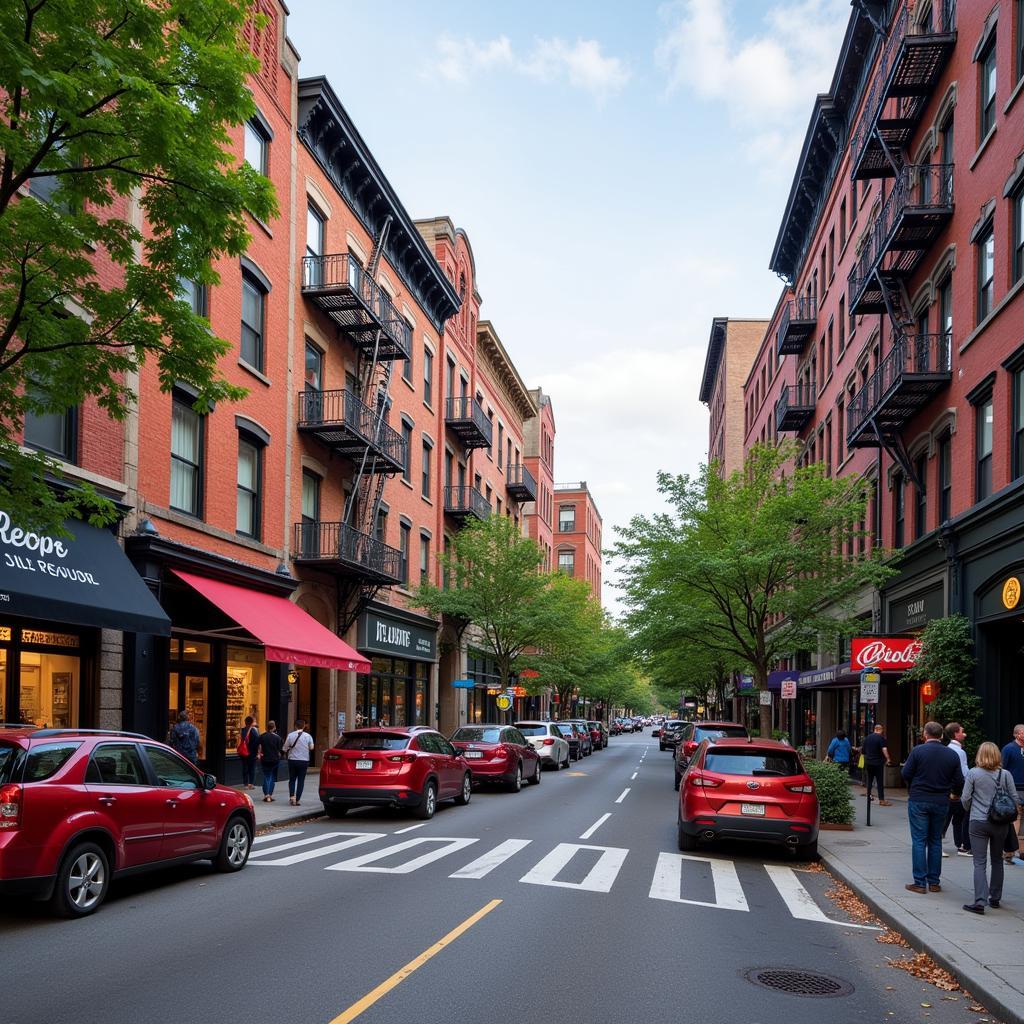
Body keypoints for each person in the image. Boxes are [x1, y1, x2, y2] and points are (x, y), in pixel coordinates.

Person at [901, 721, 965, 893]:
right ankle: (934, 881)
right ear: (942, 735)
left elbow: (905, 773)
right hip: (941, 800)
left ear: (925, 734)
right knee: (935, 841)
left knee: (919, 841)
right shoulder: (951, 755)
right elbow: (959, 780)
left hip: (919, 798)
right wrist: (954, 793)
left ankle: (920, 882)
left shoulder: (918, 751)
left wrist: (914, 783)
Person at [961, 741, 1017, 914]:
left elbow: (965, 798)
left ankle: (979, 901)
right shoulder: (1005, 774)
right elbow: (1014, 798)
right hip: (1000, 823)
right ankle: (995, 898)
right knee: (997, 860)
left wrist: (971, 808)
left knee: (979, 862)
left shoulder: (973, 773)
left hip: (978, 821)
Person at [942, 722, 971, 857]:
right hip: (957, 791)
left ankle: (943, 844)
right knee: (957, 819)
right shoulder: (960, 752)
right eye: (962, 731)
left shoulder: (948, 749)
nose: (964, 734)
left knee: (948, 819)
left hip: (948, 789)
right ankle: (961, 846)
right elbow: (964, 773)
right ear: (956, 734)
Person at [1000, 723, 1024, 865]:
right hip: (1014, 788)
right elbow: (1003, 769)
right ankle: (1009, 851)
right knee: (1015, 818)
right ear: (1016, 734)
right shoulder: (1008, 749)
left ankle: (1022, 851)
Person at [283, 719, 314, 806]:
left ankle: (292, 796)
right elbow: (311, 747)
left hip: (292, 760)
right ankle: (297, 799)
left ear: (295, 726)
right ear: (304, 726)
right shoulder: (308, 736)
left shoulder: (290, 735)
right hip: (304, 760)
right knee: (301, 780)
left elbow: (285, 748)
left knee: (292, 779)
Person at [862, 723, 892, 806]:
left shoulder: (867, 738)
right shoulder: (881, 738)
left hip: (868, 762)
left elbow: (863, 751)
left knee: (869, 780)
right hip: (878, 763)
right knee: (879, 781)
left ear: (874, 729)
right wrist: (888, 759)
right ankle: (881, 800)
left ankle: (869, 796)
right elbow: (884, 749)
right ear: (880, 730)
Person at [257, 721, 283, 802]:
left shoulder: (262, 736)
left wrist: (259, 754)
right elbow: (280, 750)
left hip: (265, 759)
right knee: (272, 777)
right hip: (274, 760)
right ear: (274, 728)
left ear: (266, 727)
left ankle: (266, 794)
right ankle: (270, 795)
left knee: (266, 776)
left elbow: (258, 747)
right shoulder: (277, 738)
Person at [238, 715, 260, 790]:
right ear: (252, 722)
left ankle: (245, 783)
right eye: (254, 721)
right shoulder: (254, 730)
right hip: (251, 753)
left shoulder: (243, 730)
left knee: (245, 767)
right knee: (252, 768)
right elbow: (257, 742)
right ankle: (251, 784)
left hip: (243, 752)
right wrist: (257, 752)